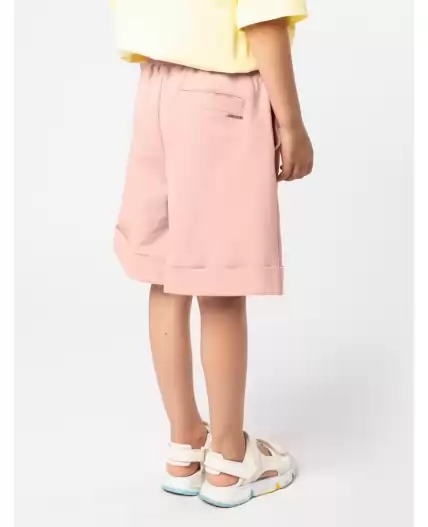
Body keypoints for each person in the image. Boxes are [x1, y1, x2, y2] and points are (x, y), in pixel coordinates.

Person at [112, 0, 313, 508]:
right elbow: (263, 21)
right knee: (219, 282)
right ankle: (228, 458)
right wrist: (291, 123)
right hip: (220, 95)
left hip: (156, 89)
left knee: (166, 274)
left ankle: (185, 445)